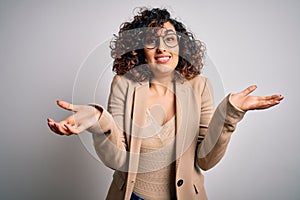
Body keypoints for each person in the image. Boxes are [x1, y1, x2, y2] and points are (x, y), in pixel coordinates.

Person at [47, 7, 283, 200]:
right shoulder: (123, 84)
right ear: (140, 51)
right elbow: (117, 158)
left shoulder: (200, 87)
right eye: (152, 41)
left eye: (170, 39)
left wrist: (230, 113)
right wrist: (97, 119)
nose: (161, 47)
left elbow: (205, 159)